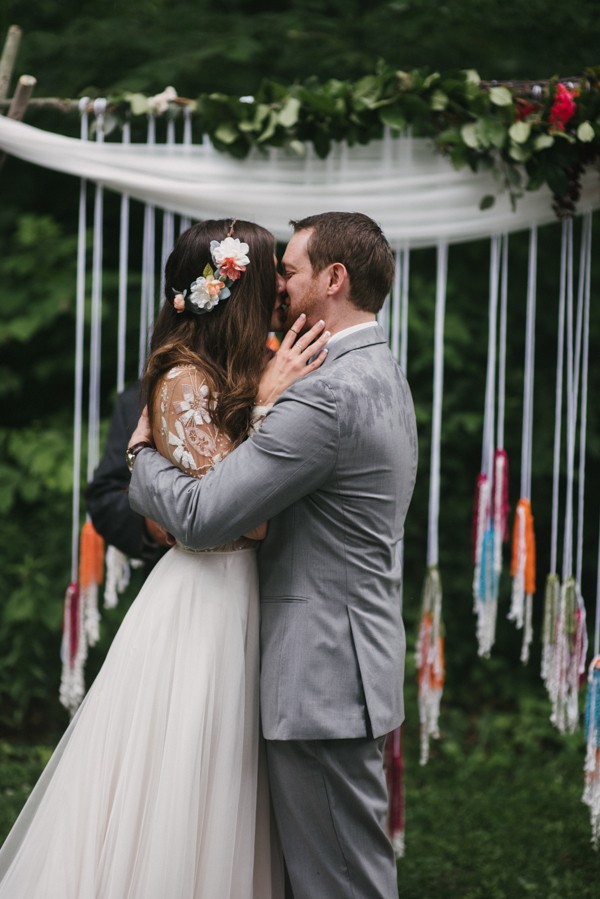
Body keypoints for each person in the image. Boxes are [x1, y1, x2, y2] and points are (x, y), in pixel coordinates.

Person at [0, 218, 329, 899]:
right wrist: (268, 406)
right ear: (238, 291)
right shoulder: (183, 379)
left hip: (240, 594)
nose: (279, 295)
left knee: (230, 780)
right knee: (189, 771)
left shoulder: (235, 370)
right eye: (269, 278)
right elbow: (244, 517)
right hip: (202, 602)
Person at [128, 211, 419, 899]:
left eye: (288, 270)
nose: (278, 285)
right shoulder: (382, 372)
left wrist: (139, 462)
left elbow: (206, 514)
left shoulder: (322, 395)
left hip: (320, 676)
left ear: (334, 278)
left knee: (340, 885)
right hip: (348, 665)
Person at [86, 382, 171, 570]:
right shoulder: (137, 400)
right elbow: (104, 498)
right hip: (168, 570)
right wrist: (151, 524)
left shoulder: (250, 393)